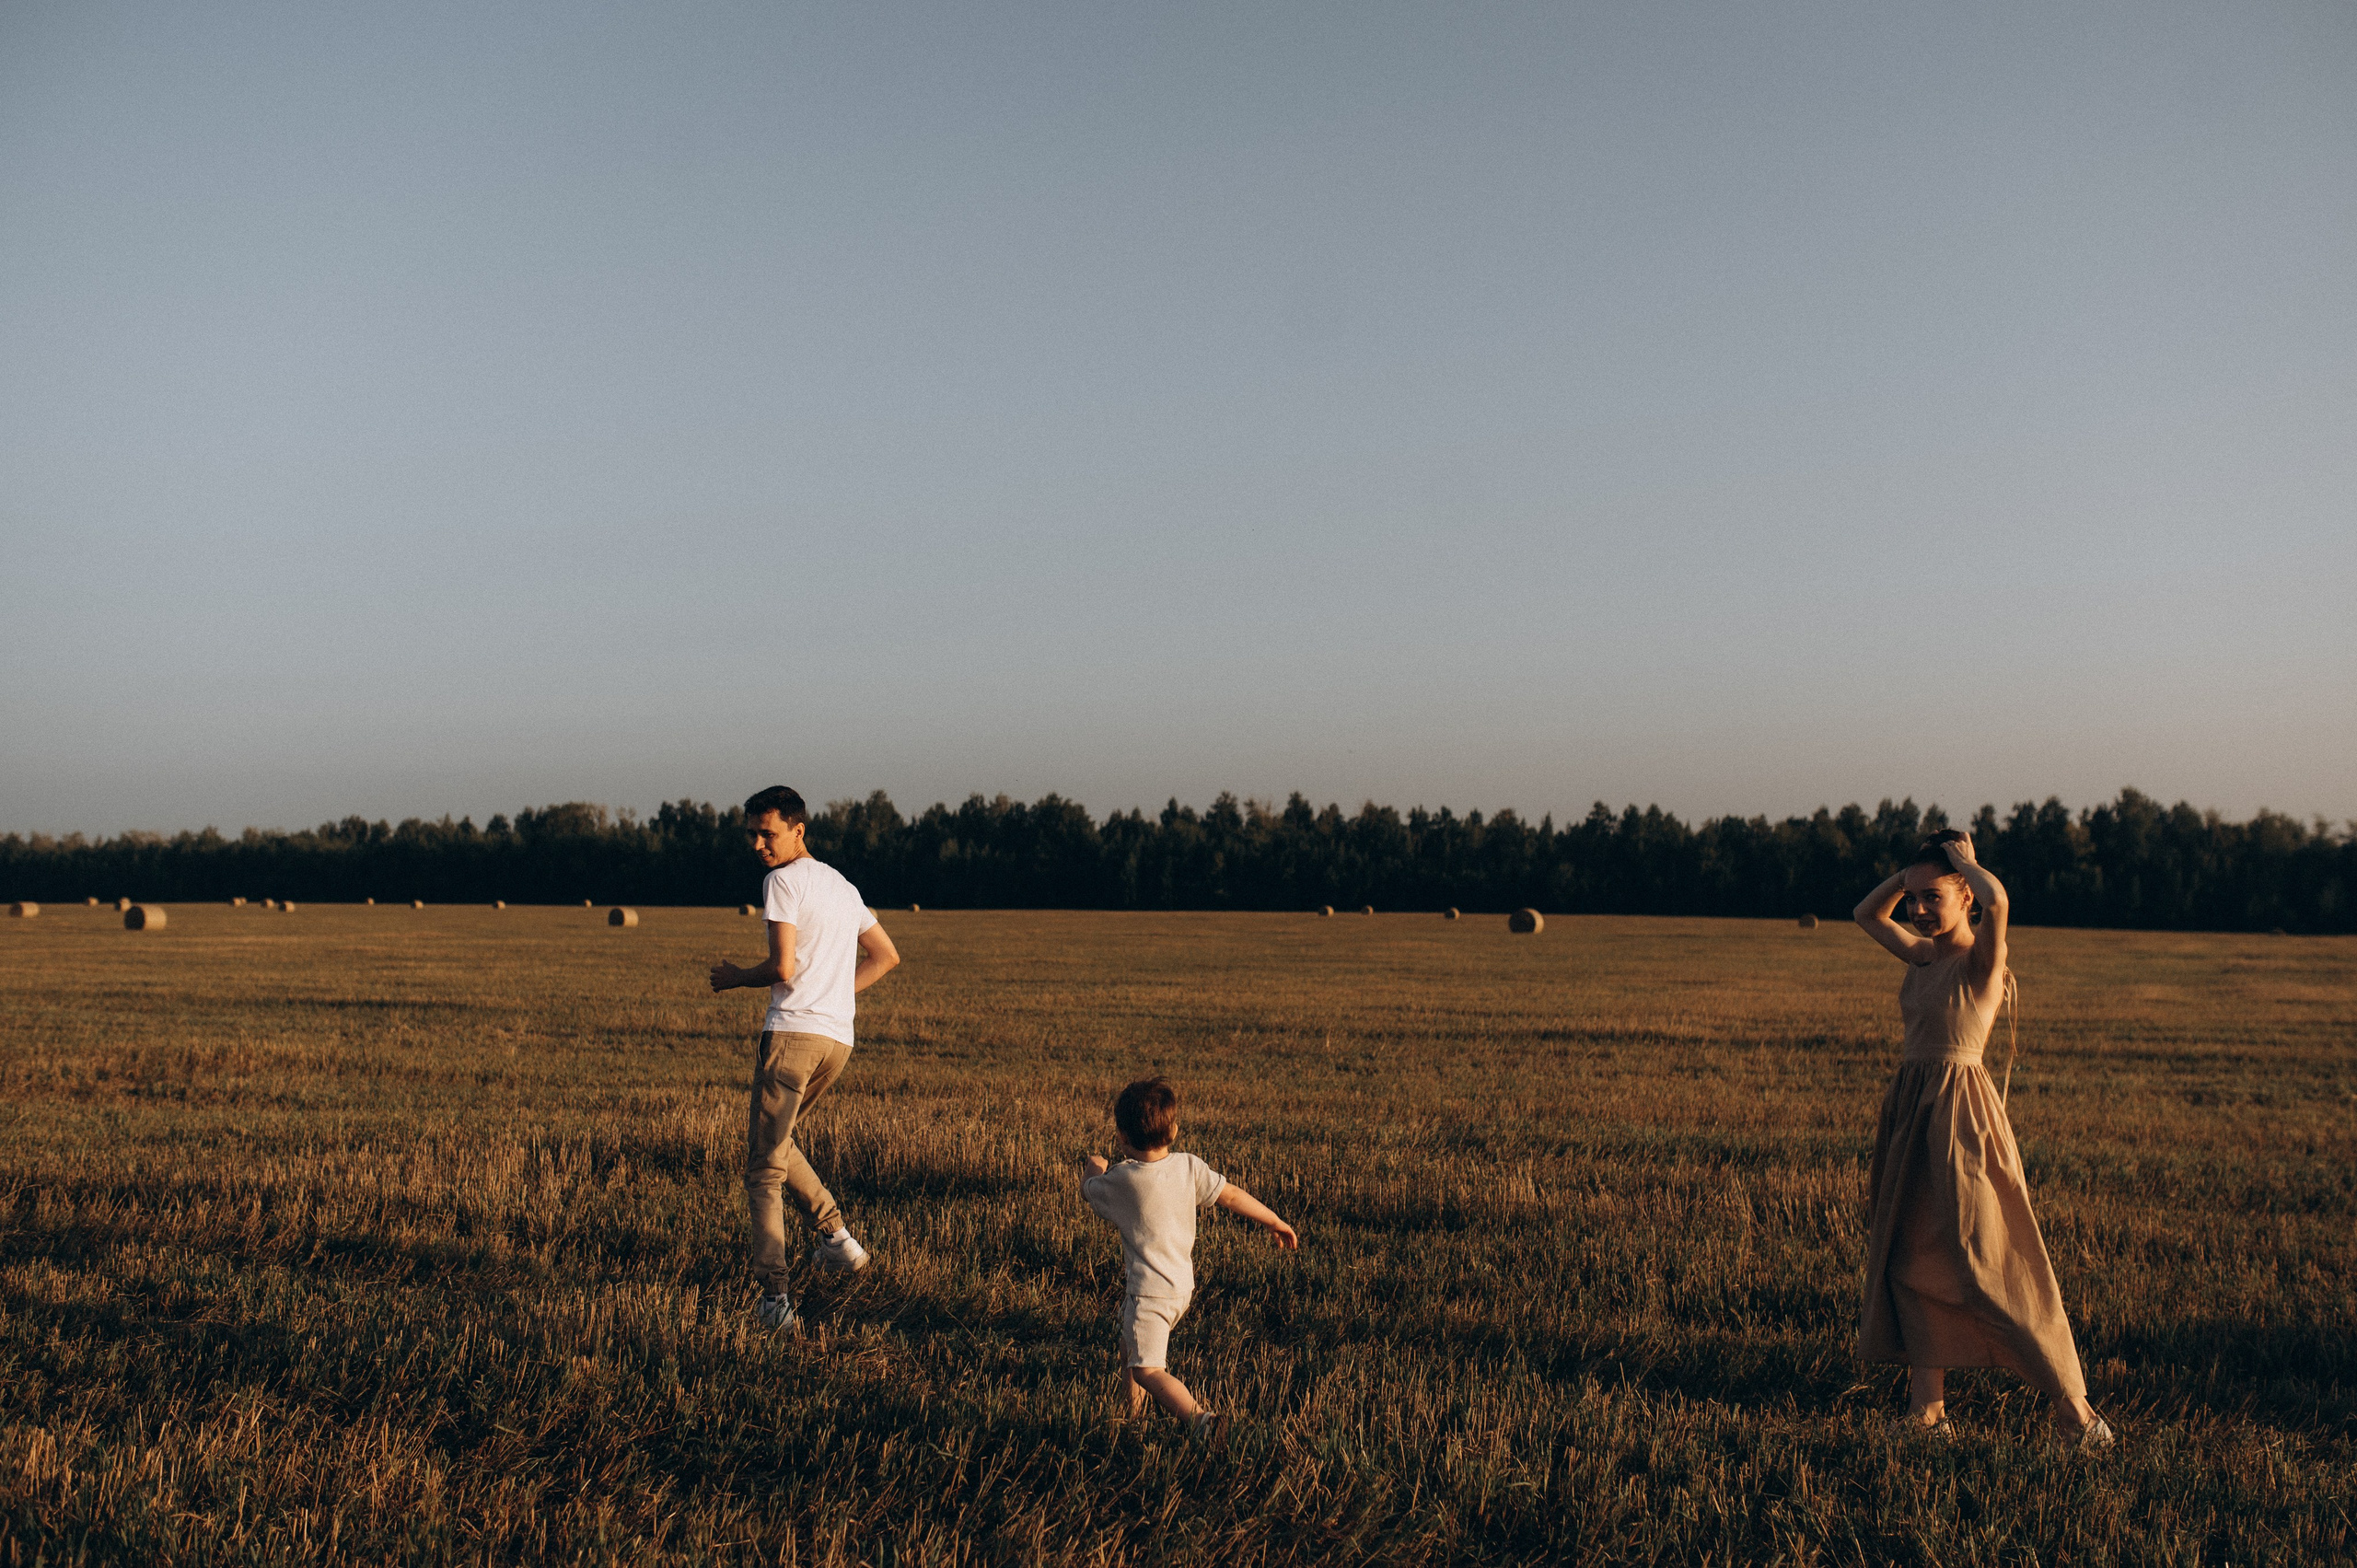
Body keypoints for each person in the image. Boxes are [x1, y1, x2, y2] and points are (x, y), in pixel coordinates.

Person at [1852, 828, 2112, 1450]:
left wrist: (1963, 863)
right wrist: (1913, 874)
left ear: (1965, 895)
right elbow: (1865, 913)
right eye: (1913, 899)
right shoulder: (1922, 957)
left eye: (1932, 897)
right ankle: (1927, 1411)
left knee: (1985, 1262)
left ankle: (2079, 1415)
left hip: (1961, 1116)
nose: (1917, 909)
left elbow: (1998, 903)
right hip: (1912, 1112)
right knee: (1909, 1257)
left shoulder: (1980, 963)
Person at [708, 784, 900, 1330]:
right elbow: (886, 955)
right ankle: (838, 1241)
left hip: (794, 1036)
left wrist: (736, 977)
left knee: (763, 1169)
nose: (758, 845)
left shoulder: (782, 881)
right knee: (780, 1142)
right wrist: (835, 994)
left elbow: (782, 968)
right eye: (751, 834)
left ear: (798, 830)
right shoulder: (842, 885)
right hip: (837, 1042)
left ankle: (774, 1300)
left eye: (767, 834)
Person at [1079, 1077, 1298, 1436]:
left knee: (1147, 1369)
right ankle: (1130, 1417)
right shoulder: (1189, 1167)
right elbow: (1231, 1195)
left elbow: (1089, 1192)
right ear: (1174, 1131)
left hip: (1150, 1294)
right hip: (1181, 1287)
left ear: (1121, 1137)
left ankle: (1201, 1422)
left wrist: (1093, 1169)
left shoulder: (1122, 1180)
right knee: (1129, 1347)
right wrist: (1274, 1220)